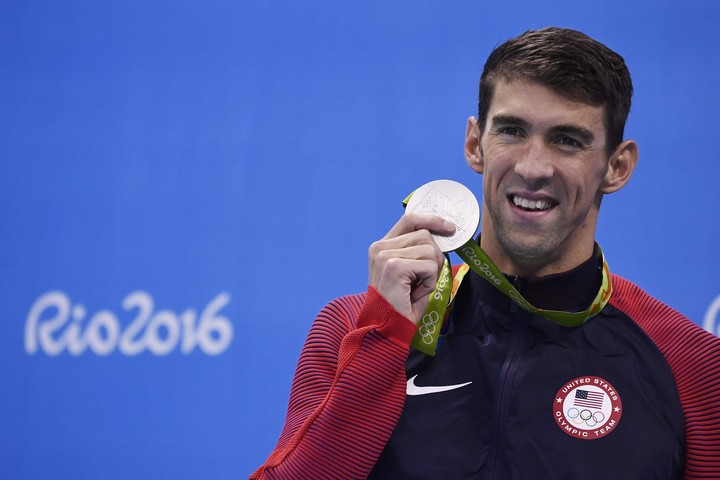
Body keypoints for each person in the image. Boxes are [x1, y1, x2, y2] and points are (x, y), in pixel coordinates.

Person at [251, 27, 720, 479]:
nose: (533, 167)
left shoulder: (691, 365)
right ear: (475, 144)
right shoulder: (353, 329)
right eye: (512, 131)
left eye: (567, 140)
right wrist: (384, 338)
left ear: (617, 167)